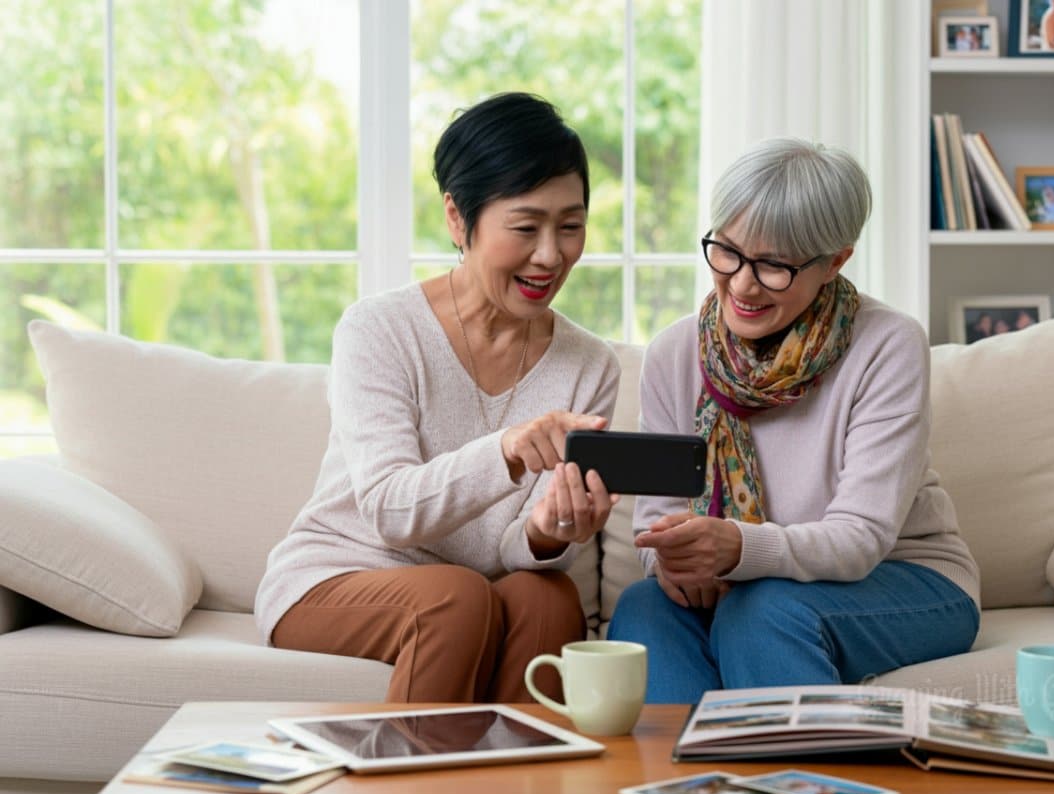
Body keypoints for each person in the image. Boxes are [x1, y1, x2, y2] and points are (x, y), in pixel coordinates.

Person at [254, 92, 622, 703]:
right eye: (526, 227)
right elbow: (388, 512)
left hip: (477, 590)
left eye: (571, 226)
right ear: (458, 218)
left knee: (546, 596)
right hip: (339, 576)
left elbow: (512, 551)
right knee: (456, 597)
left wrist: (547, 533)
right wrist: (504, 451)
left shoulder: (589, 365)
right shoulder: (379, 330)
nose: (551, 255)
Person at [606, 138, 980, 703]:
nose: (741, 283)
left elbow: (861, 538)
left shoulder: (888, 345)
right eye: (726, 251)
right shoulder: (674, 353)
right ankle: (688, 785)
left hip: (905, 581)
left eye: (774, 266)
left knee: (762, 609)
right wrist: (676, 561)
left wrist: (736, 550)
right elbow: (654, 520)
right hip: (745, 587)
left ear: (836, 261)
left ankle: (808, 787)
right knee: (644, 604)